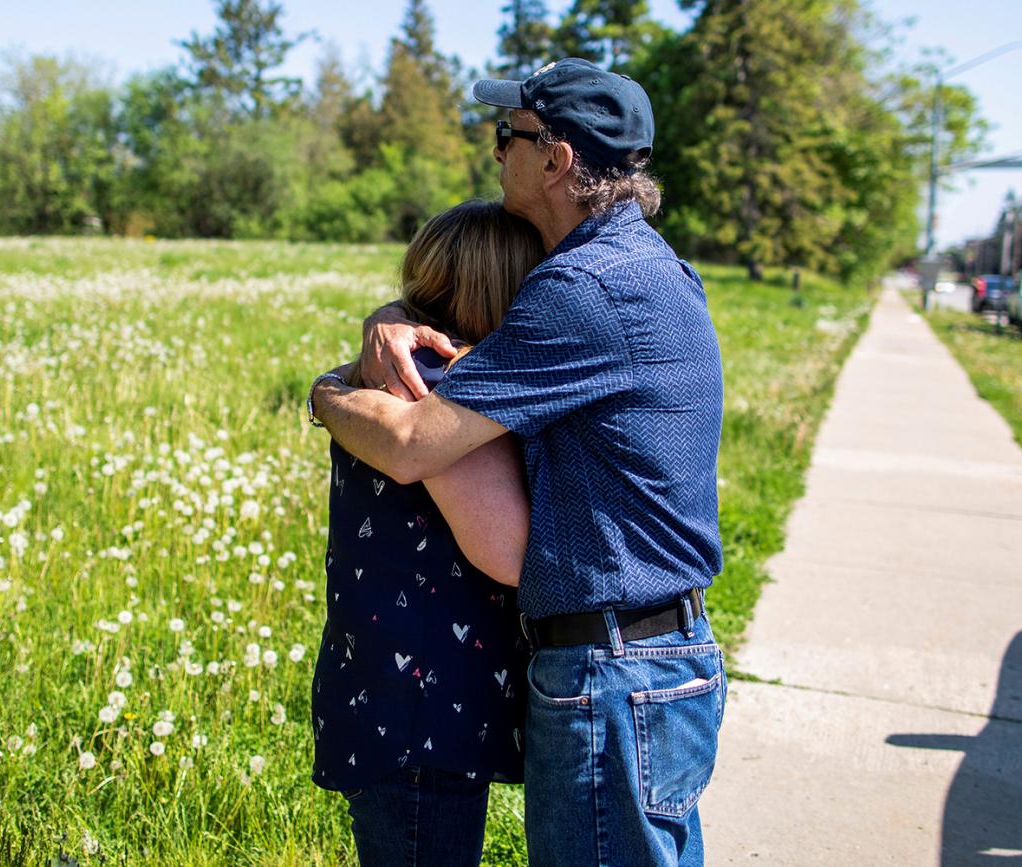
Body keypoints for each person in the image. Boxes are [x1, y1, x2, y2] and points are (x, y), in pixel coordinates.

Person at [310, 58, 727, 867]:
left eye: (510, 136)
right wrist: (394, 316)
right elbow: (464, 311)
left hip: (613, 671)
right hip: (651, 657)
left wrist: (325, 392)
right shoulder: (652, 266)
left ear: (557, 160)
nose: (496, 152)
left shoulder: (583, 289)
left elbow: (408, 443)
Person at [307, 201, 544, 866]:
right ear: (507, 287)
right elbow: (507, 554)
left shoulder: (385, 369)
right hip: (423, 705)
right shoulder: (440, 388)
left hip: (390, 689)